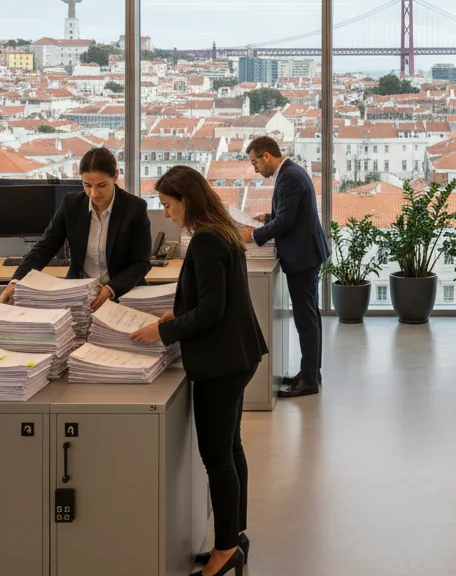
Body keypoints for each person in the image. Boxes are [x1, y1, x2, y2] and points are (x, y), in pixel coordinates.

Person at [130, 166, 267, 576]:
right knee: (231, 447)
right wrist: (179, 311)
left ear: (186, 200)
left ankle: (225, 551)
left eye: (169, 205)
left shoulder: (206, 239)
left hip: (221, 361)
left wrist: (163, 330)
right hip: (239, 354)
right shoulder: (220, 229)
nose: (166, 214)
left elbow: (212, 310)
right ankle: (235, 535)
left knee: (217, 456)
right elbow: (213, 298)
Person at [0, 147, 151, 311]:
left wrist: (110, 289)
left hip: (122, 292)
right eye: (87, 185)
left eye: (101, 185)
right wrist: (17, 281)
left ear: (115, 176)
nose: (94, 193)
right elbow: (45, 247)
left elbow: (141, 262)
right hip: (79, 293)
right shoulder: (71, 204)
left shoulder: (134, 208)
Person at [239, 136, 329, 398]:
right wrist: (266, 218)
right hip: (307, 253)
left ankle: (309, 380)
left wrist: (252, 235)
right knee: (310, 316)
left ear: (267, 156)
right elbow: (290, 212)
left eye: (255, 162)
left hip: (302, 256)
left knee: (306, 319)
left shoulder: (288, 176)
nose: (254, 168)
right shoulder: (291, 171)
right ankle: (311, 372)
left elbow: (286, 223)